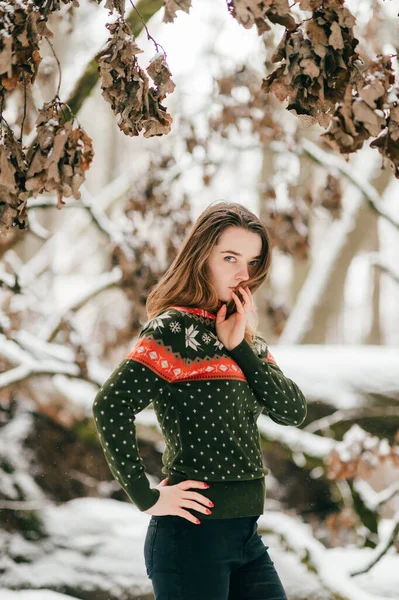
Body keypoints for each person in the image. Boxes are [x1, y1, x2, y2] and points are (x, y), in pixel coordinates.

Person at [92, 201, 307, 599]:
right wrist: (146, 496)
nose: (243, 274)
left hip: (247, 535)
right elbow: (110, 406)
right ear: (201, 257)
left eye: (252, 261)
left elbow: (292, 411)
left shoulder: (243, 335)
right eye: (230, 258)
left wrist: (240, 346)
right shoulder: (173, 329)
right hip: (191, 537)